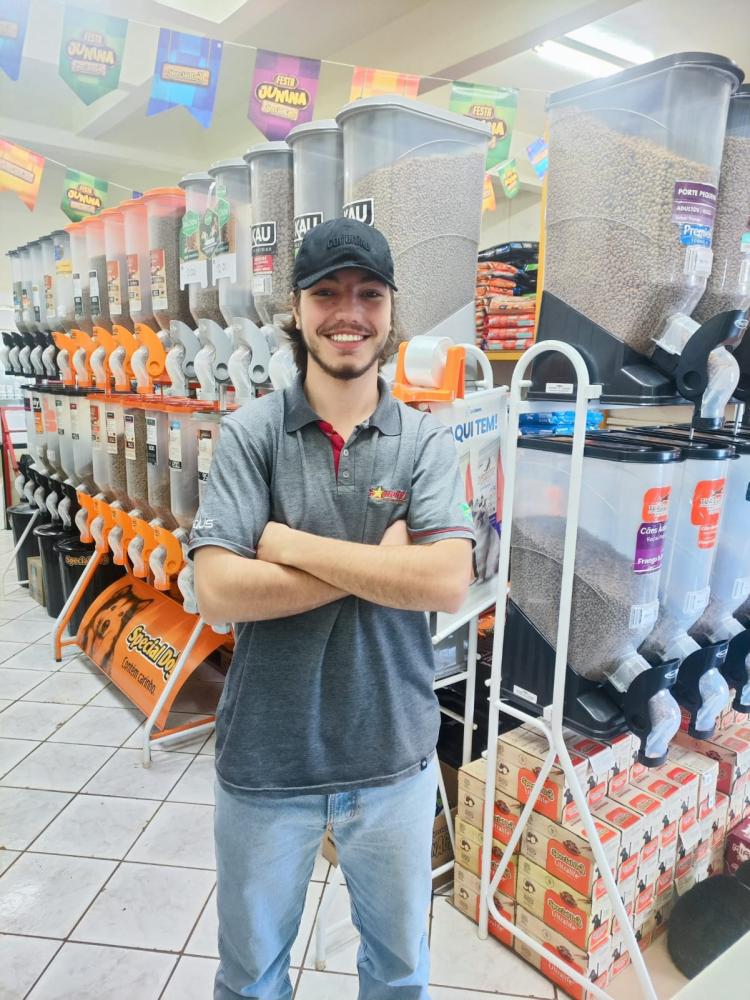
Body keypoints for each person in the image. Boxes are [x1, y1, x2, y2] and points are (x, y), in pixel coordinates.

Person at [190, 217, 475, 1000]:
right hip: (265, 764)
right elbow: (218, 590)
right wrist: (384, 566)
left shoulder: (424, 442)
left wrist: (286, 542)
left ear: (390, 310)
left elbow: (447, 581)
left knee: (398, 977)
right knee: (251, 981)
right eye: (327, 293)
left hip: (393, 760)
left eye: (368, 294)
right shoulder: (251, 435)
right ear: (296, 307)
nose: (348, 311)